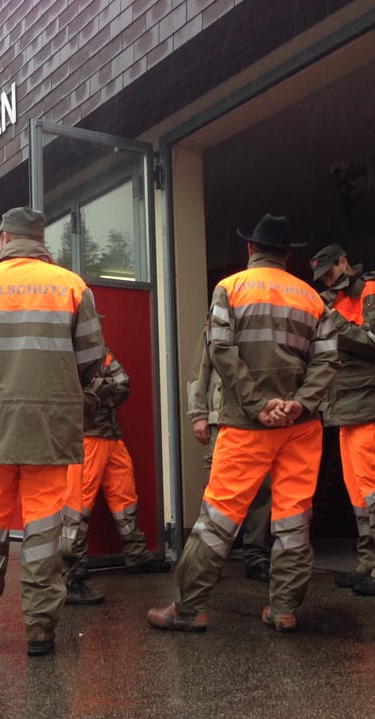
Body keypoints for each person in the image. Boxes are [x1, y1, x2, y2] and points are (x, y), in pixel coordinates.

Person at [147, 213, 338, 633]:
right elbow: (328, 360)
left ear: (250, 249)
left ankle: (188, 607)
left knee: (218, 519)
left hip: (245, 426)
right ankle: (285, 607)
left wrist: (256, 404)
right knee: (292, 520)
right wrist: (299, 404)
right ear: (287, 254)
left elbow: (219, 349)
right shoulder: (314, 299)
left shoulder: (230, 288)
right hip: (300, 428)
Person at [0, 207, 105, 656]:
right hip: (48, 427)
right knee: (42, 531)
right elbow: (93, 358)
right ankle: (39, 632)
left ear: (4, 241)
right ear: (40, 240)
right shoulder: (71, 286)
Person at [309, 243, 375, 596]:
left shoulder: (371, 291)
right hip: (349, 406)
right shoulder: (337, 300)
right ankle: (370, 563)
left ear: (344, 263)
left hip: (372, 403)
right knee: (359, 491)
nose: (328, 282)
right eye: (322, 279)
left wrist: (332, 321)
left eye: (331, 274)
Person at [61, 344, 170, 605]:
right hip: (87, 439)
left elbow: (124, 384)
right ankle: (72, 569)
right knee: (79, 505)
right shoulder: (68, 353)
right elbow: (72, 397)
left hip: (111, 436)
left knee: (125, 497)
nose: (95, 325)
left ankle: (137, 555)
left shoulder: (103, 352)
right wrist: (100, 389)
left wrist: (98, 393)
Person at [186, 328, 273, 582]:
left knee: (263, 487)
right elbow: (199, 371)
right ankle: (207, 558)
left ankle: (256, 554)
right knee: (218, 490)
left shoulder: (264, 323)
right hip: (223, 418)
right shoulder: (216, 324)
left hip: (260, 416)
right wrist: (198, 414)